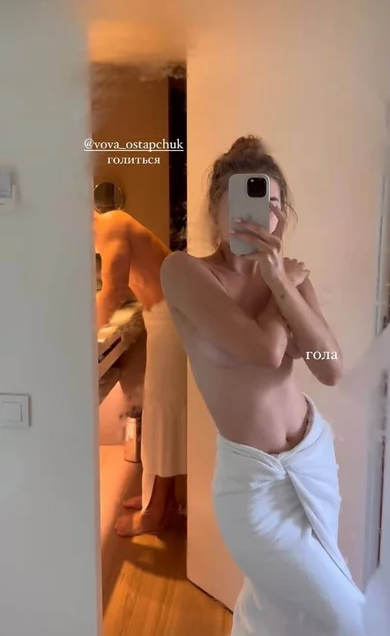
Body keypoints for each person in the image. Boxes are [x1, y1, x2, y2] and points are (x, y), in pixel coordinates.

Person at [160, 136, 368, 635]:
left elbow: (329, 366)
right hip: (254, 485)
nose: (261, 214)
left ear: (281, 217)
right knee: (348, 616)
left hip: (312, 459)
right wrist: (281, 286)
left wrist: (283, 286)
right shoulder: (185, 271)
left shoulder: (291, 279)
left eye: (273, 203)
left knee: (276, 609)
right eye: (247, 199)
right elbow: (264, 352)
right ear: (215, 210)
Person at [94, 209, 187, 536]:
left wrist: (86, 337)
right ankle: (158, 502)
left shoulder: (111, 224)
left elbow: (113, 291)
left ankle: (157, 513)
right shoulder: (107, 230)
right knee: (162, 412)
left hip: (171, 319)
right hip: (165, 316)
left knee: (164, 415)